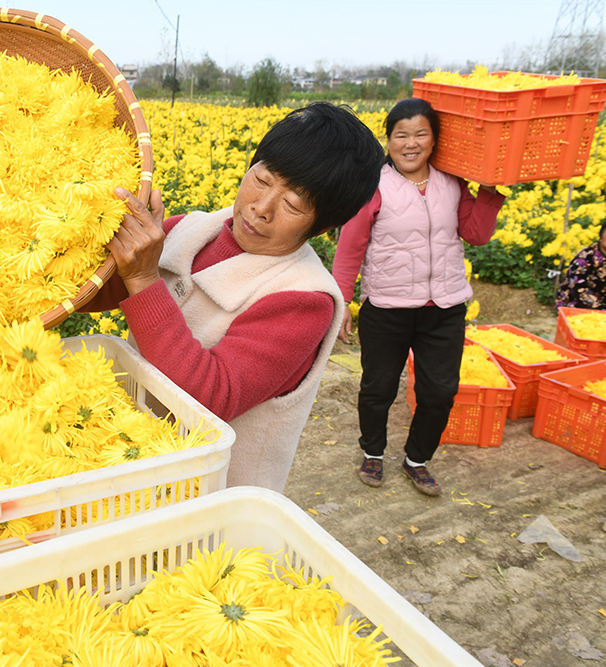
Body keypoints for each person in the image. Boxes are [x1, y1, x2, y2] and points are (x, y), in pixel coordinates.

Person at [81, 102, 385, 492]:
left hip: (213, 495)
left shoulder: (304, 299)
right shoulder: (192, 230)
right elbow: (98, 289)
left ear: (324, 226)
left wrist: (143, 276)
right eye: (262, 179)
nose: (261, 208)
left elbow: (209, 396)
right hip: (137, 460)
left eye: (292, 205)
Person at [332, 98, 505, 497]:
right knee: (378, 388)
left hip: (444, 307)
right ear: (389, 141)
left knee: (439, 392)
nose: (410, 143)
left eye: (420, 134)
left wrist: (489, 191)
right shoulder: (374, 185)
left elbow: (476, 234)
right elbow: (350, 247)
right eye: (401, 135)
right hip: (387, 308)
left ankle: (416, 459)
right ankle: (373, 452)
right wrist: (342, 301)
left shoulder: (452, 182)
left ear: (434, 140)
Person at [556, 224, 606, 310]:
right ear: (601, 234)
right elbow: (578, 289)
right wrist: (602, 309)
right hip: (579, 303)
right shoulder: (586, 256)